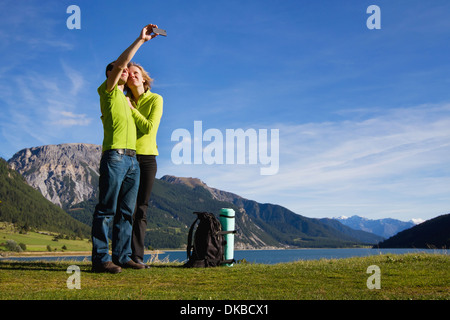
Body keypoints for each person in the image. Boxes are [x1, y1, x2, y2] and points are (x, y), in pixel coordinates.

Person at [91, 24, 161, 273]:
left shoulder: (128, 100)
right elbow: (121, 64)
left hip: (133, 160)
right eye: (118, 69)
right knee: (106, 209)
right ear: (110, 74)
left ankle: (122, 256)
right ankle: (101, 259)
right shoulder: (108, 91)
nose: (123, 71)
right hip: (115, 156)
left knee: (126, 212)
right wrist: (140, 41)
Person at [125, 62, 163, 267]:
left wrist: (131, 110)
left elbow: (149, 128)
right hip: (127, 157)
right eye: (129, 74)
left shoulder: (156, 99)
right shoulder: (124, 101)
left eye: (136, 73)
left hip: (147, 159)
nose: (133, 76)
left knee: (141, 209)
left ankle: (137, 256)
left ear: (144, 78)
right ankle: (122, 255)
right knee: (124, 208)